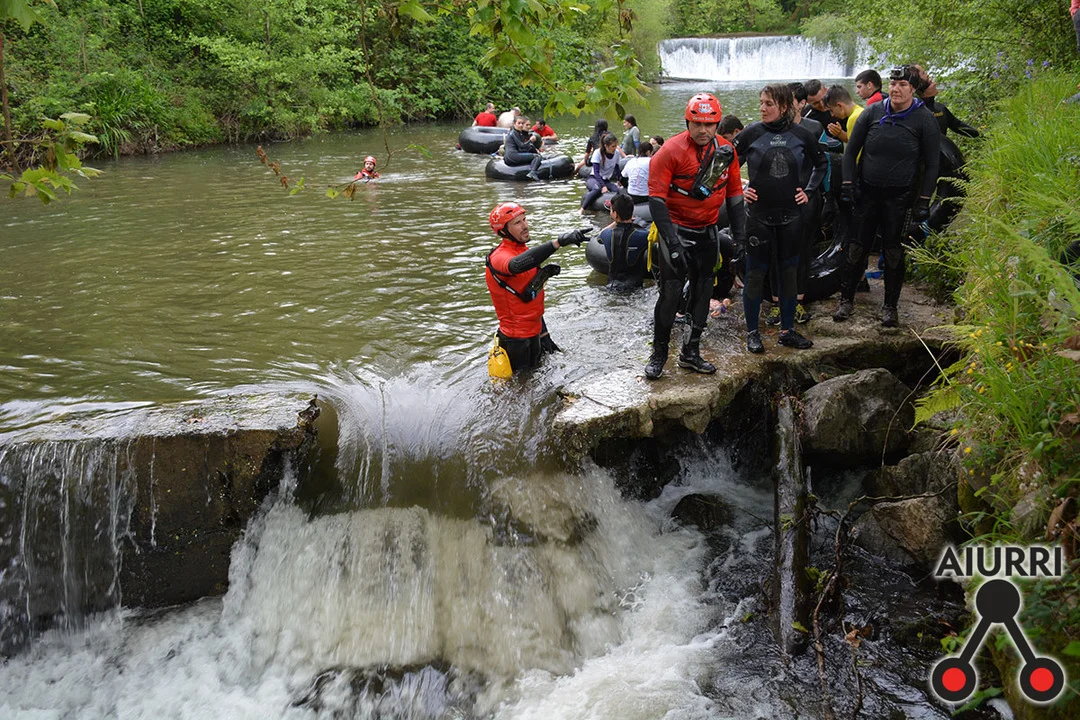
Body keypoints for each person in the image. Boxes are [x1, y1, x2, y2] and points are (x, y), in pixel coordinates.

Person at [644, 92, 747, 379]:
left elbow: (735, 196)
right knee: (671, 294)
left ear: (717, 124)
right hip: (676, 229)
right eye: (697, 124)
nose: (703, 130)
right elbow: (656, 201)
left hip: (707, 230)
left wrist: (740, 239)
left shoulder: (726, 150)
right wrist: (672, 243)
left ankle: (690, 353)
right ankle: (659, 354)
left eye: (709, 124)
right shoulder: (670, 151)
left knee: (703, 292)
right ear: (687, 123)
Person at [832, 65, 941, 328]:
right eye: (893, 84)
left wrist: (924, 200)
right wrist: (847, 184)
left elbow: (932, 164)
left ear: (912, 89)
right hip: (867, 193)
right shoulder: (872, 113)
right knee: (857, 248)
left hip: (900, 198)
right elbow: (851, 151)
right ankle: (846, 300)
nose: (896, 89)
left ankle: (890, 307)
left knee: (893, 251)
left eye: (902, 85)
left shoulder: (924, 119)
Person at [732, 84, 828, 354]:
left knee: (788, 275)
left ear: (784, 107)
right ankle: (753, 333)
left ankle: (787, 331)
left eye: (769, 104)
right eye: (761, 103)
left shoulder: (802, 134)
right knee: (755, 275)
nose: (762, 108)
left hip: (791, 217)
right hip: (758, 217)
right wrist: (739, 188)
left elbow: (821, 164)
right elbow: (726, 163)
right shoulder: (751, 133)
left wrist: (809, 191)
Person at [485, 203, 590, 372]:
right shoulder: (499, 257)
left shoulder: (524, 251)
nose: (525, 226)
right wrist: (558, 243)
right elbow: (516, 265)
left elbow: (532, 296)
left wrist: (544, 334)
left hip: (535, 334)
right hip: (515, 342)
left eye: (524, 220)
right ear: (503, 231)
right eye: (517, 223)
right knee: (521, 386)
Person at [599, 193, 650, 292]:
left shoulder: (607, 234)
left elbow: (600, 235)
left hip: (611, 288)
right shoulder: (642, 236)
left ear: (615, 214)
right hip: (635, 290)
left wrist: (615, 222)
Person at [911, 67, 979, 138]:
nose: (934, 83)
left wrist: (981, 136)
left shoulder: (940, 108)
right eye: (923, 73)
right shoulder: (915, 111)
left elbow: (958, 125)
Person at [580, 132, 622, 213]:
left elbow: (617, 169)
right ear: (606, 146)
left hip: (606, 180)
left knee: (617, 190)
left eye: (616, 146)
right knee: (597, 189)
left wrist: (619, 180)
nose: (615, 148)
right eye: (613, 146)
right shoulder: (597, 153)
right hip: (594, 179)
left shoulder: (616, 153)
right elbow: (596, 172)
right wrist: (603, 186)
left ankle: (612, 208)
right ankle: (582, 209)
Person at [504, 115, 544, 181]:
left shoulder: (516, 132)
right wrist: (530, 140)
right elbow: (522, 146)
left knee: (533, 155)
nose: (521, 125)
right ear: (514, 124)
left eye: (522, 123)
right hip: (513, 156)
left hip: (508, 157)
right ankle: (532, 173)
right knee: (537, 157)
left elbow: (521, 147)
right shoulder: (514, 133)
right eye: (519, 123)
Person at [803, 79, 842, 146]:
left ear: (827, 90)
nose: (822, 104)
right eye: (816, 103)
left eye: (823, 99)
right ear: (807, 102)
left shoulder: (841, 108)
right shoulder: (805, 116)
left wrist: (840, 134)